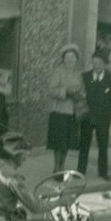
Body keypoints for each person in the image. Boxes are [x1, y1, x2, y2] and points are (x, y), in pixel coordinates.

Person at [77, 49, 111, 180]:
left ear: (104, 64)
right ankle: (80, 171)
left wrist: (104, 107)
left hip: (103, 117)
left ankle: (103, 172)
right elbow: (80, 94)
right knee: (84, 145)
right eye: (94, 63)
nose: (96, 66)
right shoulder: (85, 76)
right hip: (87, 116)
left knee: (103, 145)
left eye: (99, 63)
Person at [46, 44, 85, 173]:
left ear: (76, 59)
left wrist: (80, 95)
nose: (70, 59)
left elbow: (82, 90)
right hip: (59, 111)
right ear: (63, 59)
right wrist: (66, 92)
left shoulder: (79, 74)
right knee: (58, 142)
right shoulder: (58, 71)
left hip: (72, 112)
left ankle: (62, 166)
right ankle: (56, 167)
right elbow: (51, 90)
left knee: (67, 142)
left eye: (72, 57)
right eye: (67, 57)